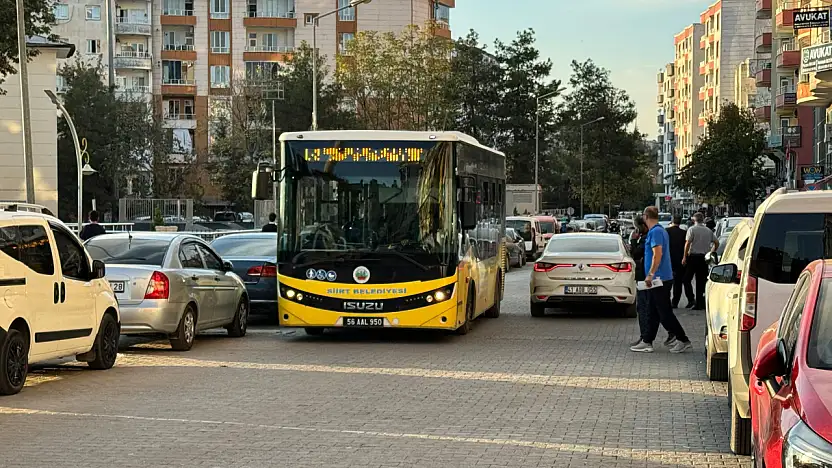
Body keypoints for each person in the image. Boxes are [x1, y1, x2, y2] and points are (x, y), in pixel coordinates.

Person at [630, 206, 692, 354]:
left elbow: (657, 254)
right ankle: (647, 341)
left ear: (646, 216)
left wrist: (650, 274)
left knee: (664, 313)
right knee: (653, 311)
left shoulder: (656, 232)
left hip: (659, 279)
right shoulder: (659, 230)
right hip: (659, 278)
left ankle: (682, 339)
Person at [682, 212, 718, 310]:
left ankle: (691, 299)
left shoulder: (692, 229)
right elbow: (716, 242)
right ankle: (700, 302)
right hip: (704, 258)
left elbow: (687, 243)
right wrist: (711, 252)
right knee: (701, 281)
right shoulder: (708, 231)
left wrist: (684, 256)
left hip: (693, 257)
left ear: (694, 220)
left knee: (686, 279)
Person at [666, 215, 694, 308]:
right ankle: (676, 301)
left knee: (667, 282)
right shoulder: (684, 233)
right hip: (680, 260)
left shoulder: (666, 231)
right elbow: (687, 246)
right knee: (679, 282)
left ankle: (668, 301)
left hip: (668, 260)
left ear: (672, 221)